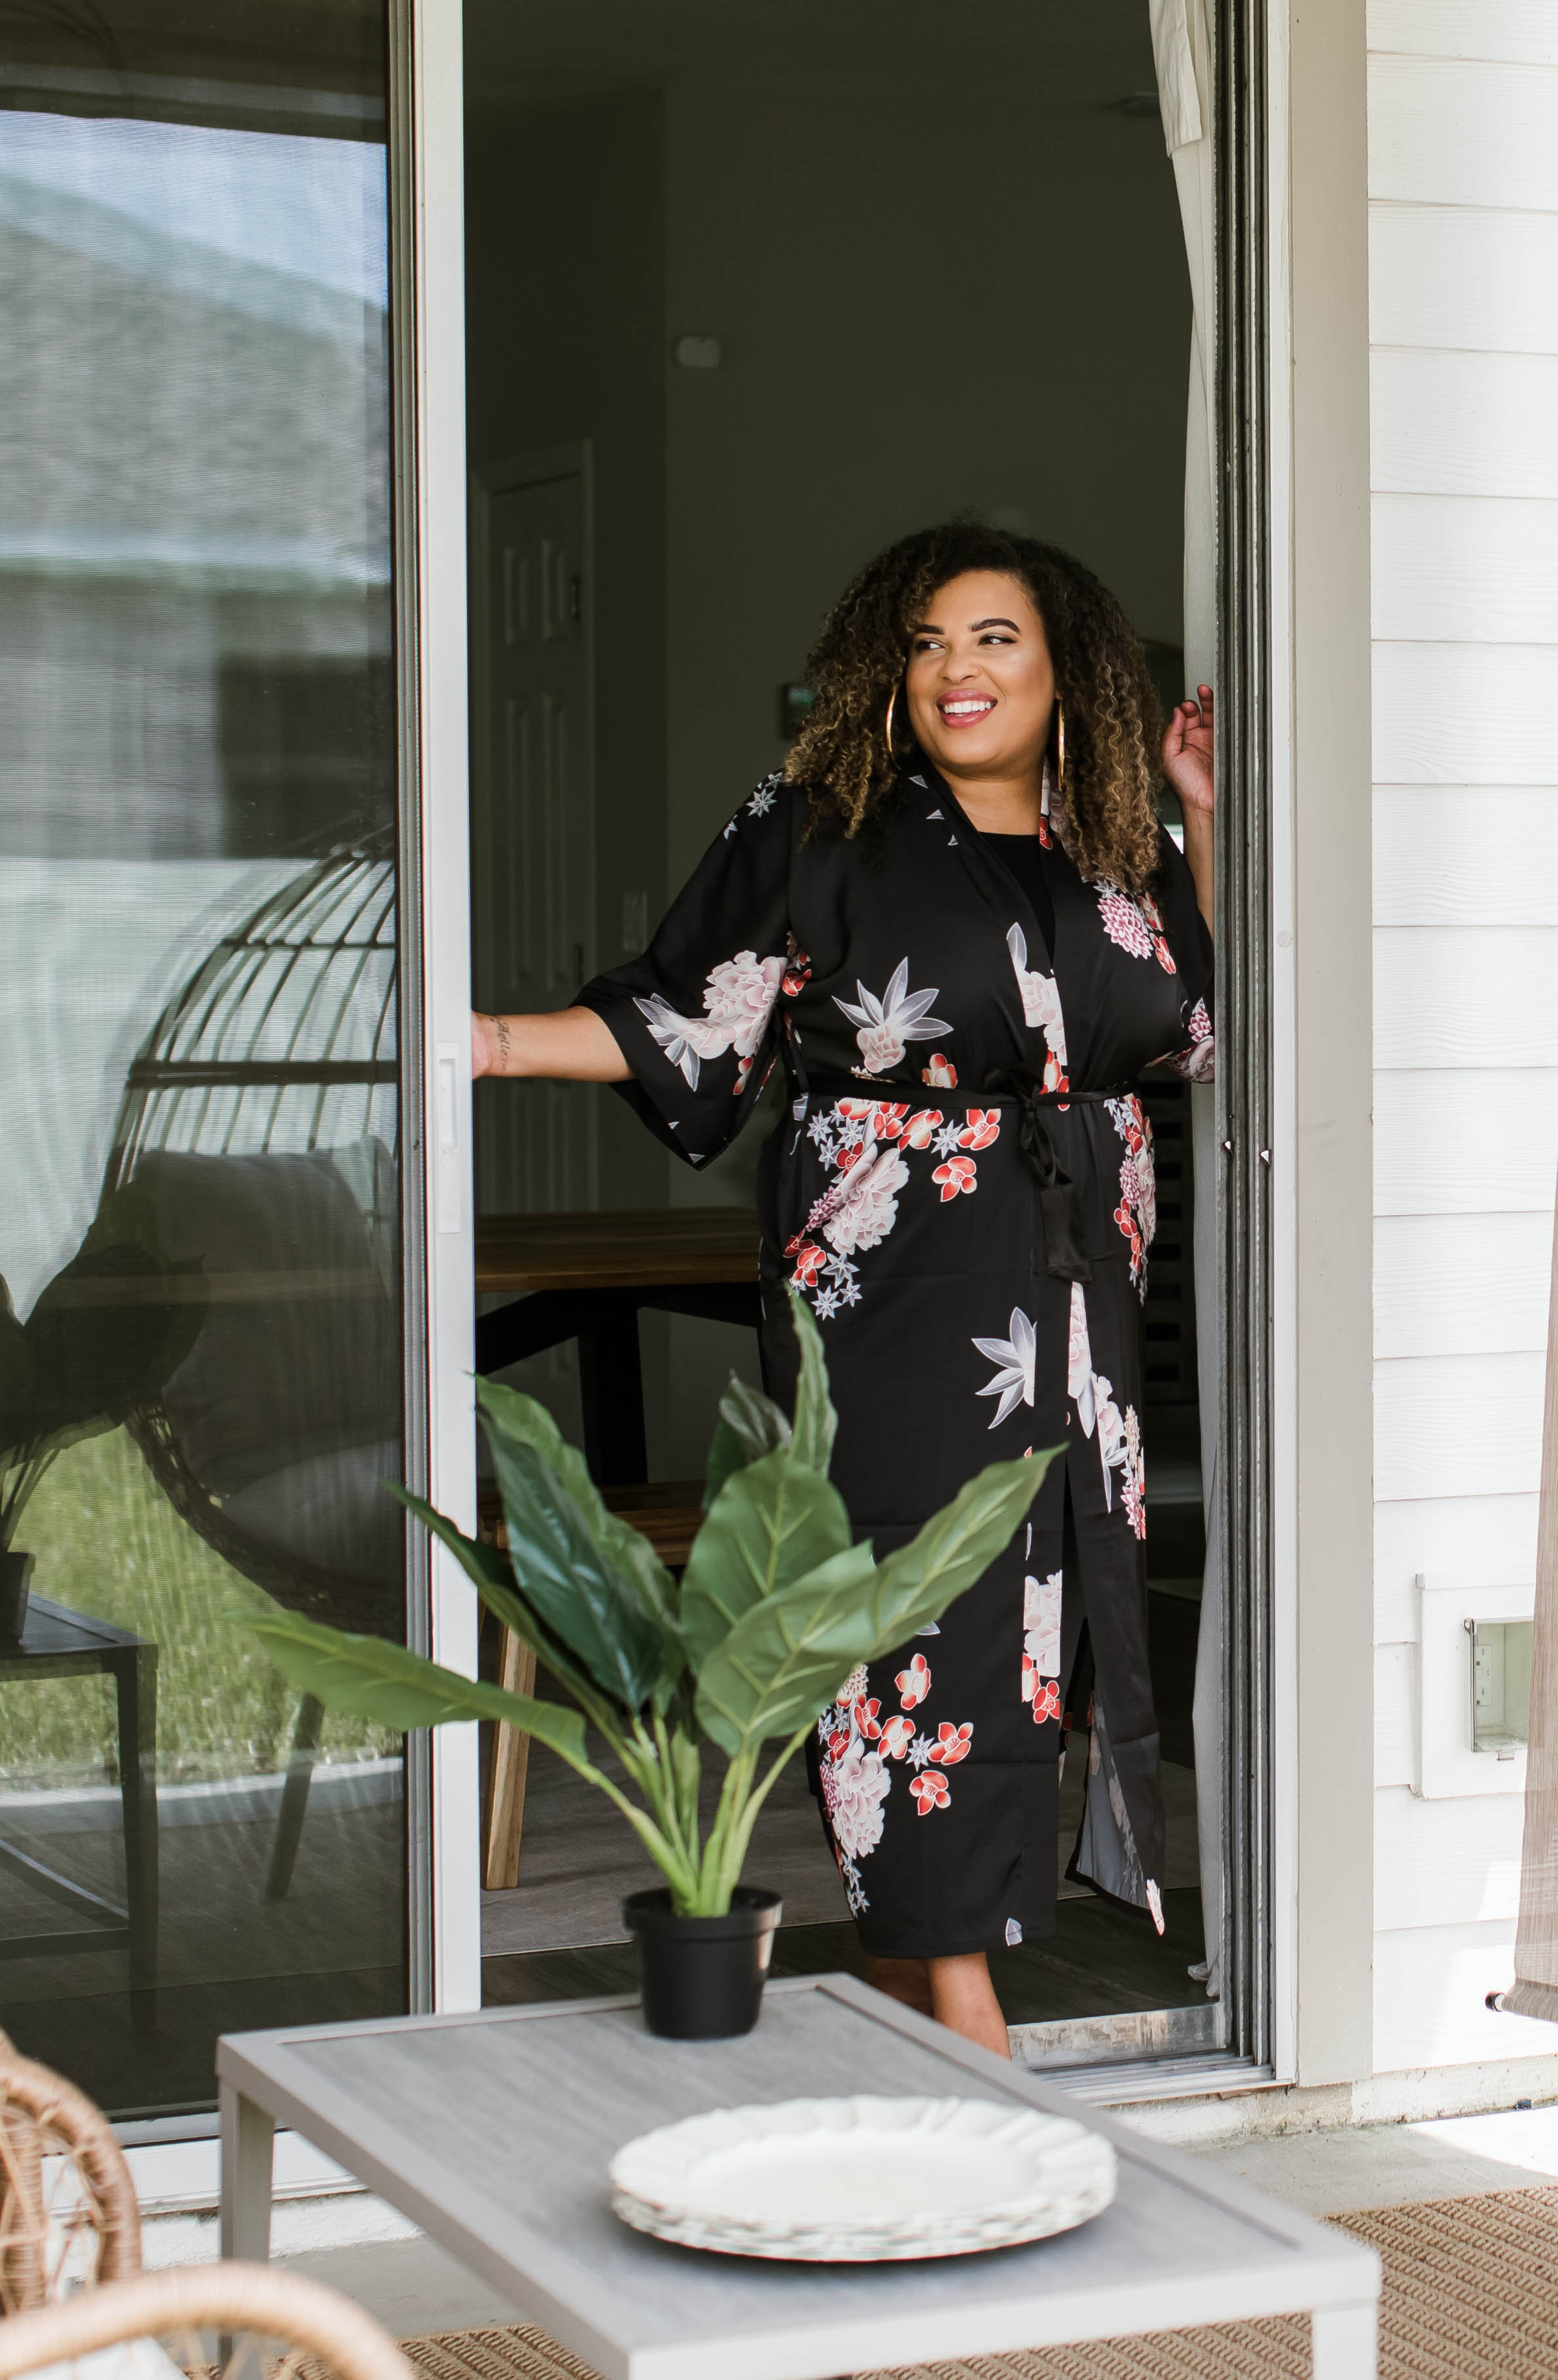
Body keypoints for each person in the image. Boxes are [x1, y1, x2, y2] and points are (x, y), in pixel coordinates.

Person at [469, 520, 1213, 2055]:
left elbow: (1194, 1030)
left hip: (1077, 1285)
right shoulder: (825, 826)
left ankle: (906, 1967)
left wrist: (1202, 817)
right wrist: (488, 1044)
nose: (956, 670)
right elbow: (686, 1018)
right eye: (927, 642)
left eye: (994, 638)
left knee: (1038, 1618)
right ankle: (961, 1992)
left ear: (1065, 668)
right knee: (907, 1605)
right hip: (899, 1279)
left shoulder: (1118, 841)